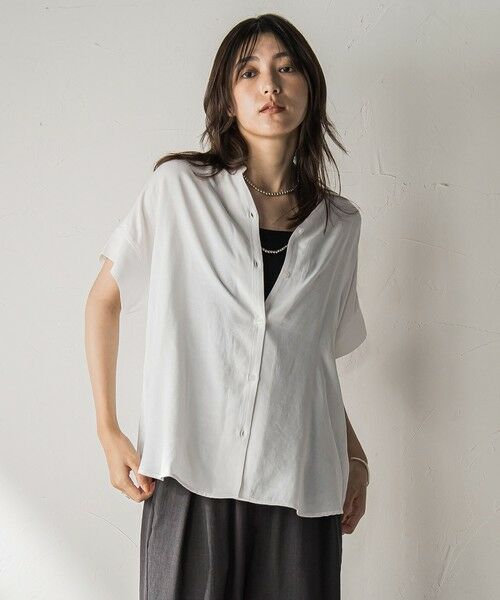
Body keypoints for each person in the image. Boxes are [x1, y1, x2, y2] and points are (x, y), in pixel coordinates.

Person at [85, 13, 369, 600]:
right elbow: (104, 300)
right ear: (228, 94)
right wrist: (108, 429)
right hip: (189, 475)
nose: (270, 85)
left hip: (300, 488)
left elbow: (311, 361)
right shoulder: (178, 189)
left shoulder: (339, 225)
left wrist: (355, 456)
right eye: (250, 72)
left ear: (309, 87)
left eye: (286, 69)